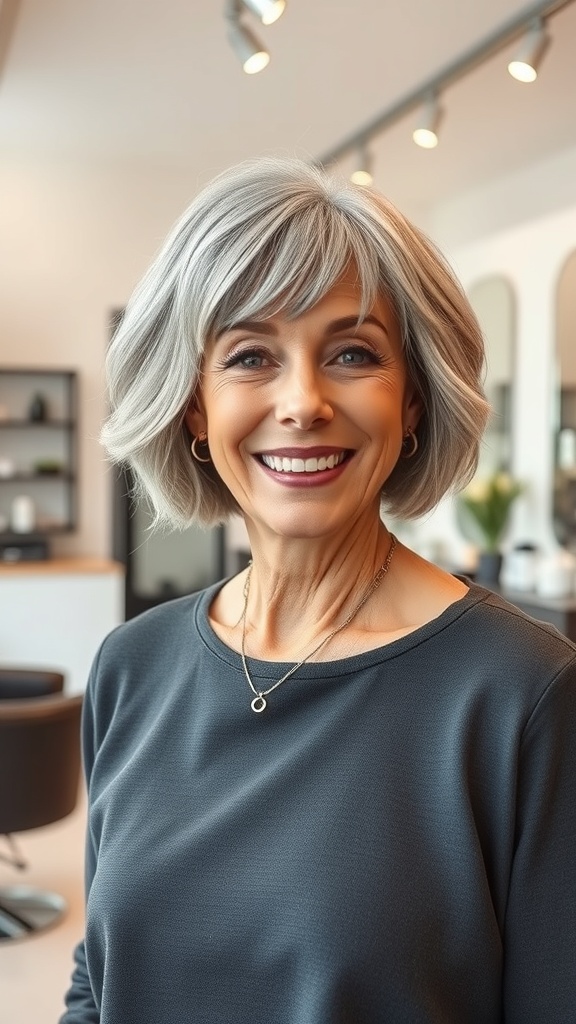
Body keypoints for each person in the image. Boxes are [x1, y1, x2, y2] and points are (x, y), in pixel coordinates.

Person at [61, 158, 576, 1024]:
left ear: (412, 400)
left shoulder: (522, 694)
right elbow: (99, 976)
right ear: (195, 407)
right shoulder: (130, 668)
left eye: (352, 353)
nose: (301, 402)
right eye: (251, 355)